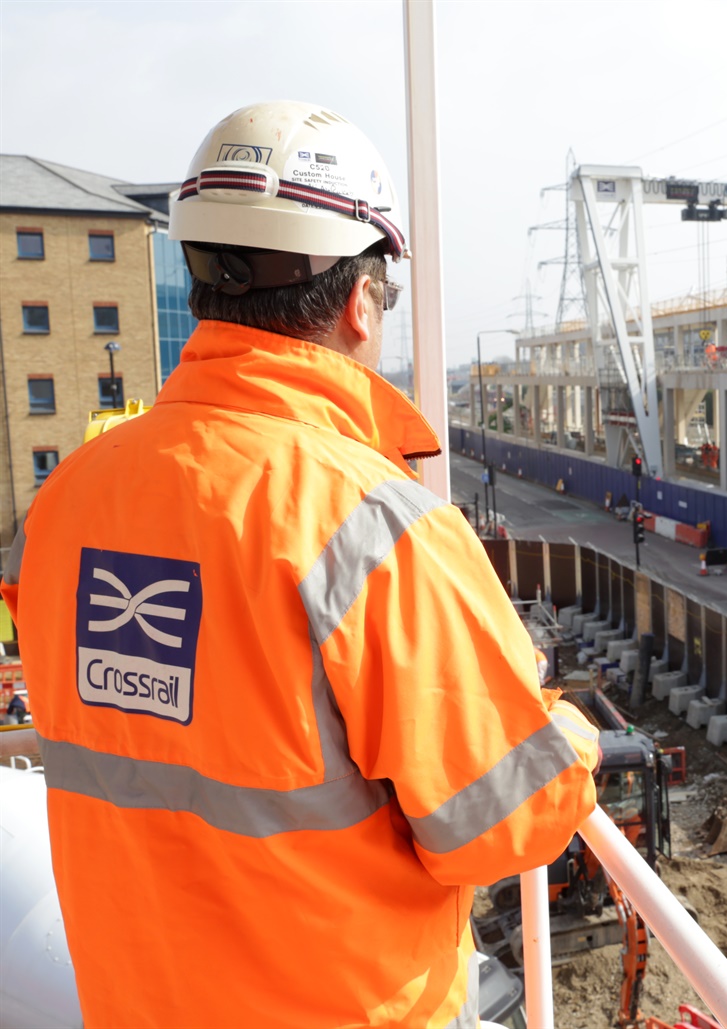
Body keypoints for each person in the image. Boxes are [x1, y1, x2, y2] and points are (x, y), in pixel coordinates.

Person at [0, 101, 599, 1027]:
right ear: (362, 300)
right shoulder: (378, 530)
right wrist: (570, 731)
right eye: (386, 297)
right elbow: (502, 822)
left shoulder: (63, 506)